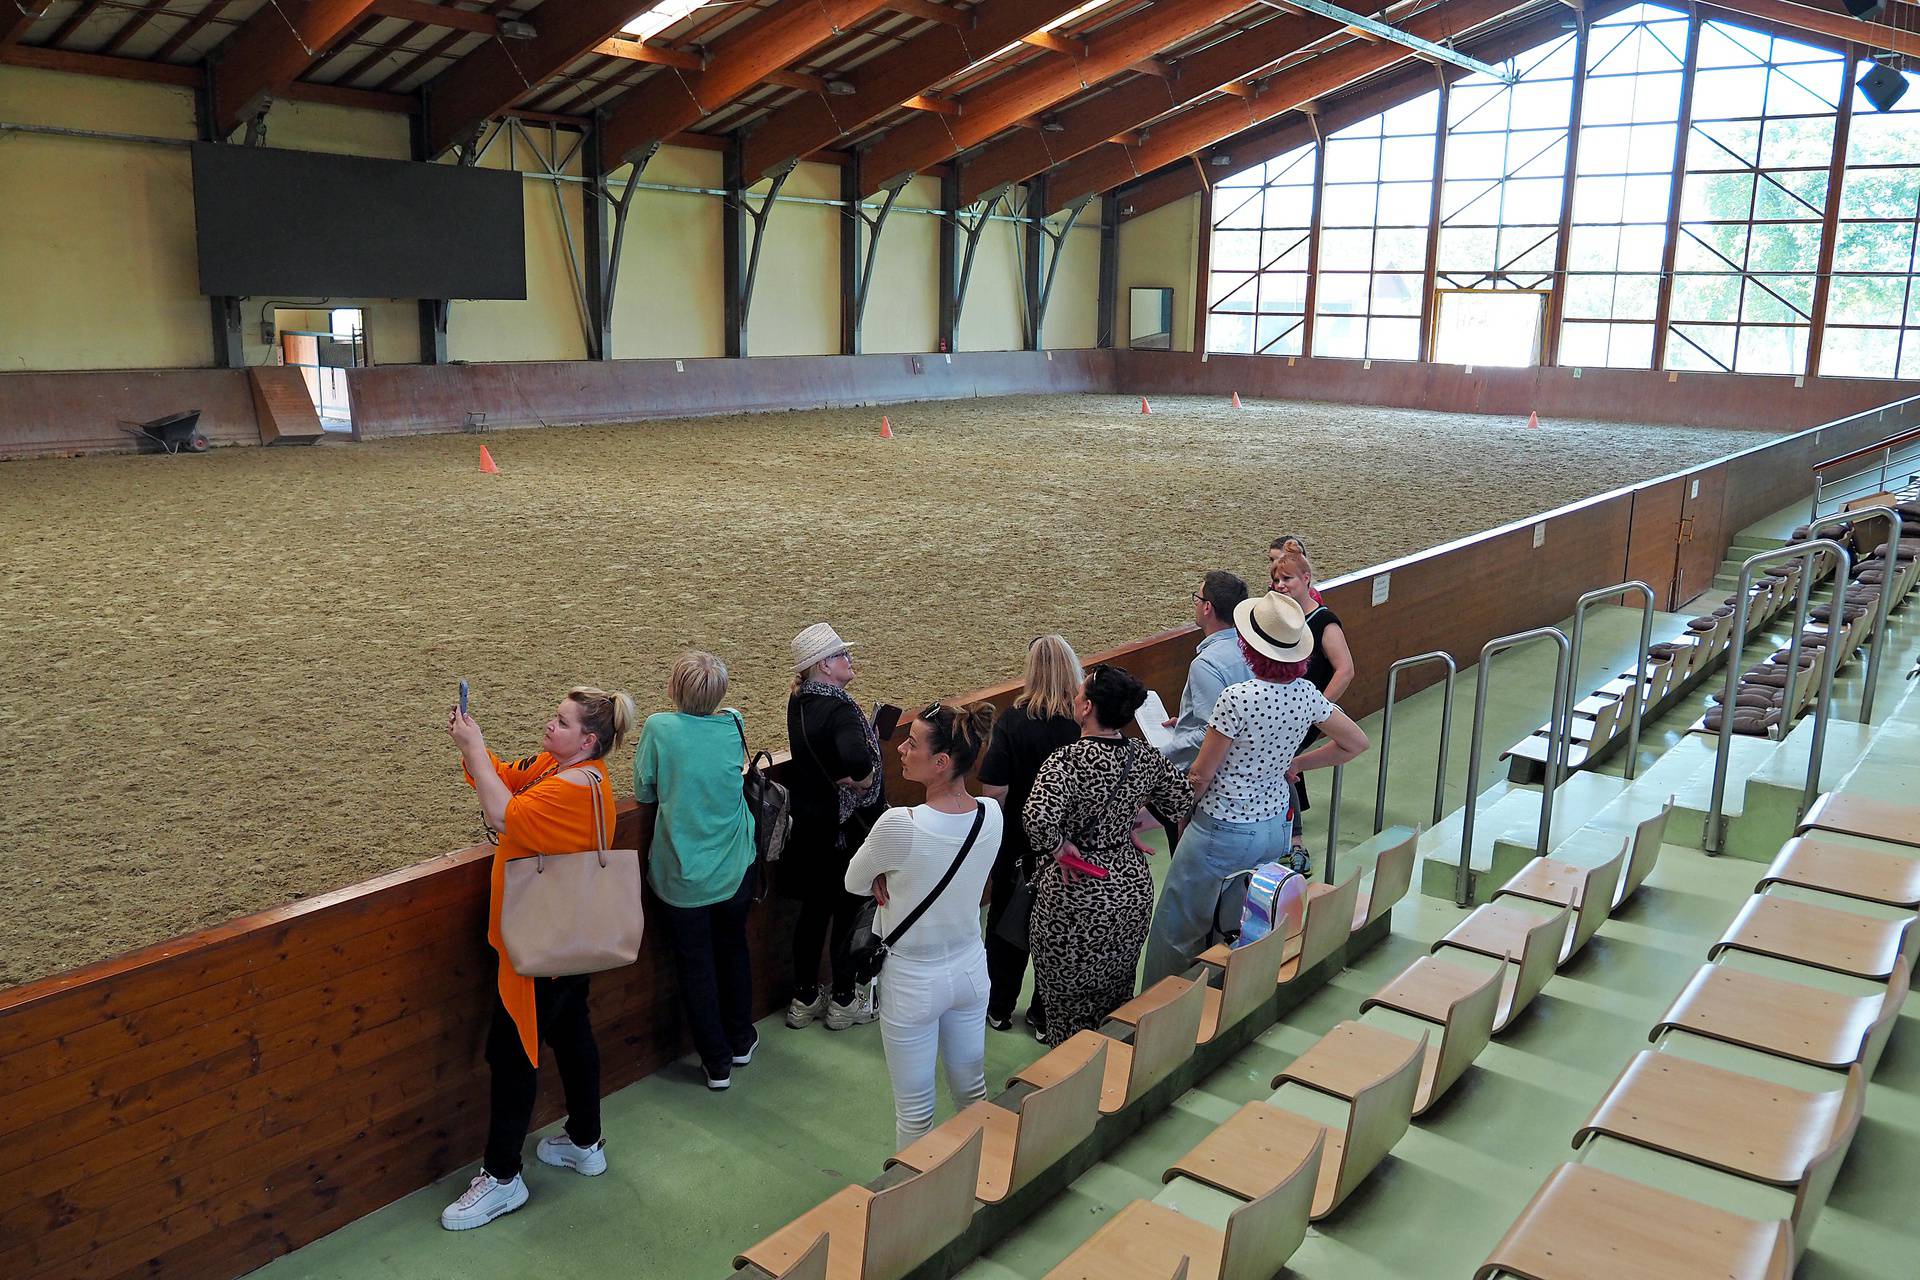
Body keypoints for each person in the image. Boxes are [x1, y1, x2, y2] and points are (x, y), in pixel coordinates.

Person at [442, 686, 635, 1231]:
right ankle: (584, 1140)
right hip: (571, 937)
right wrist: (473, 749)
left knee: (512, 1054)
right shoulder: (567, 770)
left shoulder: (569, 791)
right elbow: (504, 776)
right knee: (572, 1035)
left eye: (562, 722)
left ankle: (503, 1178)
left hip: (537, 946)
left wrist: (474, 746)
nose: (550, 727)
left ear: (588, 740)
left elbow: (503, 813)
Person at [1141, 593, 1369, 986]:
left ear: (1249, 645)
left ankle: (1153, 1019)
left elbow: (1200, 775)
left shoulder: (1238, 698)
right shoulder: (1306, 695)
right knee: (1245, 922)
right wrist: (1295, 763)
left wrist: (1163, 811)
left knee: (1175, 930)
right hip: (1274, 826)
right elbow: (1355, 743)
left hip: (1222, 829)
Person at [845, 703, 1002, 1149]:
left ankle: (914, 1208)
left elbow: (854, 880)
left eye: (912, 743)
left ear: (941, 763)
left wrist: (885, 872)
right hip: (971, 968)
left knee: (915, 1116)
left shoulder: (899, 824)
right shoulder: (991, 813)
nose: (902, 749)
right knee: (973, 1094)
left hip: (913, 978)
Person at [1023, 664, 1196, 1045]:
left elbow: (1037, 818)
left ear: (1087, 708)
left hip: (1076, 892)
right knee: (1117, 997)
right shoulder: (1142, 756)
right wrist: (1133, 823)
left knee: (1066, 1007)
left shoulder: (1066, 760)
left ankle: (1071, 1081)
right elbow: (1182, 797)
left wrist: (1059, 848)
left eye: (1080, 693)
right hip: (1129, 887)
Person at [634, 651, 758, 1091]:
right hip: (735, 867)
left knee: (696, 966)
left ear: (673, 690)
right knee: (733, 950)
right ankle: (741, 1039)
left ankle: (717, 1061)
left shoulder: (659, 728)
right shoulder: (734, 722)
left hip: (683, 877)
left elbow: (644, 787)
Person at [978, 635, 1083, 1037]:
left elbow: (994, 791)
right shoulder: (1082, 724)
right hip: (1069, 849)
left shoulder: (1013, 720)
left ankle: (999, 1007)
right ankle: (1043, 1014)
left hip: (1019, 848)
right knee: (1058, 932)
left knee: (1006, 928)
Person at [785, 622, 888, 1031]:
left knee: (812, 913)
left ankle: (804, 996)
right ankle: (845, 999)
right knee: (848, 911)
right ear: (824, 665)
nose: (849, 660)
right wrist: (863, 775)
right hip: (845, 829)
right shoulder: (842, 708)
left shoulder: (800, 702)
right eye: (842, 654)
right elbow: (856, 759)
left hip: (810, 826)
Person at [1272, 550, 1355, 871]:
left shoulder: (1324, 621)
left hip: (1307, 710)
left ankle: (1296, 844)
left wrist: (1317, 709)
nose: (1280, 585)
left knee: (1280, 761)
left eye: (1287, 579)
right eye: (1276, 580)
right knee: (1280, 761)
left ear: (1306, 579)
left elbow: (1345, 670)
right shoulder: (1285, 618)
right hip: (1287, 707)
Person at [1162, 571, 1253, 769]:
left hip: (1212, 771)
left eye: (1198, 598)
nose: (1195, 603)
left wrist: (1161, 753)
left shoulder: (1206, 664)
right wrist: (1186, 722)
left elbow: (1209, 733)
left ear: (1207, 607)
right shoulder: (1252, 650)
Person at [1267, 534, 1324, 604]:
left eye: (1280, 560)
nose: (1274, 565)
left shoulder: (1311, 598)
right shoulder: (1275, 587)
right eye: (1272, 560)